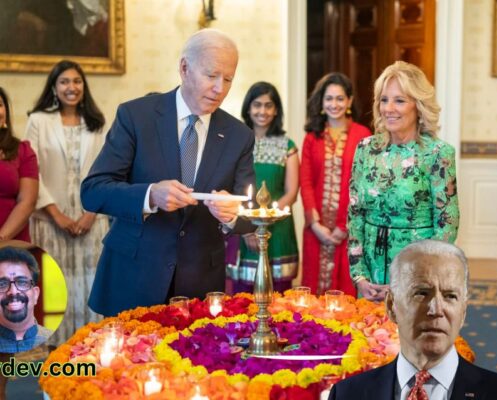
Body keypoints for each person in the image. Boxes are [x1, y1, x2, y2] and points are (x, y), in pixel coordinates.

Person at [81, 29, 255, 316]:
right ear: (185, 68)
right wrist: (149, 195)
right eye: (211, 75)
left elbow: (251, 212)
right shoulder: (136, 116)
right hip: (134, 275)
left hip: (199, 286)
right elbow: (93, 191)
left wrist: (233, 214)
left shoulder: (239, 135)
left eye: (228, 79)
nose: (220, 89)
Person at [329, 239, 497, 399]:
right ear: (391, 306)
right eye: (421, 293)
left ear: (463, 311)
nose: (436, 309)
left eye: (450, 296)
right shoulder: (347, 394)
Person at [347, 61, 459, 302]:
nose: (389, 108)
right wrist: (359, 276)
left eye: (399, 100)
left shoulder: (438, 153)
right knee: (367, 336)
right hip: (370, 278)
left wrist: (415, 280)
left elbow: (447, 223)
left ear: (418, 106)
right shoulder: (366, 149)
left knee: (410, 338)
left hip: (418, 275)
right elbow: (355, 215)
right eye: (384, 100)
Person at [25, 60, 108, 344]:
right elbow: (30, 171)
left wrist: (91, 213)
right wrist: (57, 215)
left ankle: (91, 361)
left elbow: (106, 170)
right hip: (50, 220)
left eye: (77, 81)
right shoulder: (38, 120)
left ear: (84, 86)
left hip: (91, 221)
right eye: (64, 82)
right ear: (54, 87)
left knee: (90, 291)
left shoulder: (96, 124)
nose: (71, 87)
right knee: (55, 291)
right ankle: (54, 367)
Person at [300, 72, 371, 296]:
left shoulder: (363, 135)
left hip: (349, 231)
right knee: (313, 293)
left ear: (349, 101)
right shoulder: (312, 138)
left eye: (340, 98)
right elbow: (306, 181)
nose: (334, 104)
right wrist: (315, 225)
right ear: (321, 102)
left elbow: (363, 184)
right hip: (316, 230)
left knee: (346, 292)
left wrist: (344, 226)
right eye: (329, 99)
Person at [228, 82, 299, 293]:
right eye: (257, 105)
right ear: (248, 108)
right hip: (242, 226)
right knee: (242, 298)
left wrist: (265, 220)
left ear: (276, 110)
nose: (263, 111)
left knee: (278, 297)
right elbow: (229, 188)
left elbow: (292, 193)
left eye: (269, 105)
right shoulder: (236, 142)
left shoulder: (287, 145)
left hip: (277, 227)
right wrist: (247, 228)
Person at [0, 87, 39, 243]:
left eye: (0, 105)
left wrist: (1, 239)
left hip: (11, 243)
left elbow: (27, 201)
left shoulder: (22, 150)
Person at [0, 246, 53, 353]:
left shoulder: (55, 342)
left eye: (22, 282)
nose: (13, 292)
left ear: (35, 294)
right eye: (2, 284)